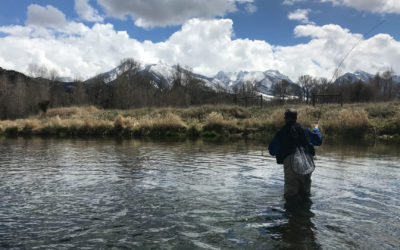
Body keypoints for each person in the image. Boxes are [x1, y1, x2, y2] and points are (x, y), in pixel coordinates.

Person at [268, 109, 322, 205]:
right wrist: (316, 129)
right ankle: (305, 216)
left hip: (290, 163)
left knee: (290, 196)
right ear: (296, 118)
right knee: (305, 194)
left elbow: (272, 151)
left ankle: (292, 216)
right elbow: (318, 141)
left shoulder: (281, 132)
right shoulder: (306, 130)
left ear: (285, 119)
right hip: (307, 163)